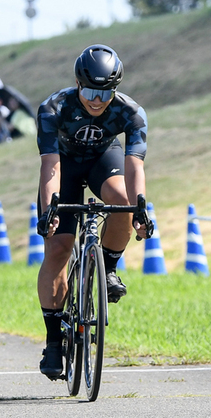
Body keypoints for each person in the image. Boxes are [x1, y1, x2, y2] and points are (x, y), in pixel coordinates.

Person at [35, 44, 151, 380]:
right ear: (76, 84)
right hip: (64, 167)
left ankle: (109, 267)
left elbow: (134, 168)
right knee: (58, 248)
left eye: (105, 92)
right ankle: (54, 341)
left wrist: (140, 207)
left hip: (104, 161)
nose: (96, 100)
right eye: (89, 91)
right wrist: (50, 209)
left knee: (123, 202)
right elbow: (50, 167)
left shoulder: (131, 113)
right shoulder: (53, 107)